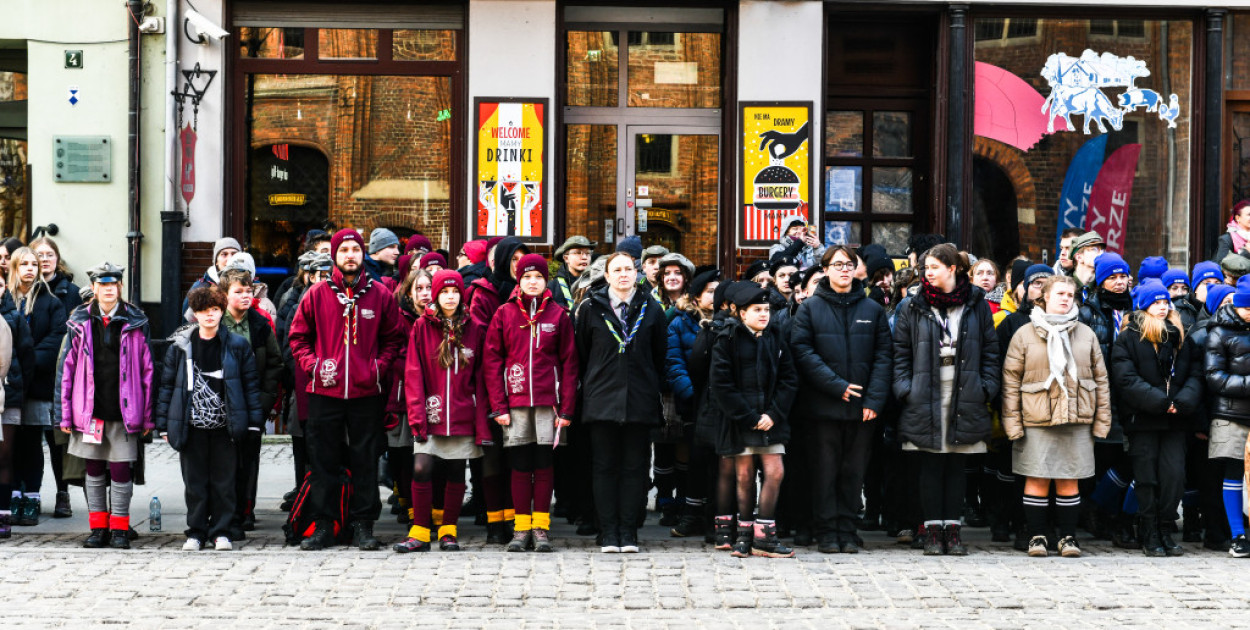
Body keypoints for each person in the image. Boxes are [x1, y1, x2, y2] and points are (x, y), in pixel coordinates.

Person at [288, 229, 406, 551]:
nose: (350, 255)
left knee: (365, 459)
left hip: (366, 393)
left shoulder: (380, 294)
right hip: (325, 393)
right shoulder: (316, 294)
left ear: (362, 254)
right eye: (344, 250)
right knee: (323, 460)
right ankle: (325, 524)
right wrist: (314, 366)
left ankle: (363, 525)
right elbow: (298, 337)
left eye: (355, 249)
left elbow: (394, 339)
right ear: (336, 256)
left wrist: (377, 367)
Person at [892, 243, 1000, 556]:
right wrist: (905, 388)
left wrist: (986, 387)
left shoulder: (976, 302)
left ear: (952, 269)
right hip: (925, 389)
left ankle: (952, 531)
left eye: (934, 267)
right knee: (929, 461)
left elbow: (990, 350)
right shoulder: (914, 304)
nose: (928, 273)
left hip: (964, 388)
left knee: (955, 461)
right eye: (926, 268)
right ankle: (931, 530)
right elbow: (900, 350)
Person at [789, 246, 892, 554]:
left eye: (849, 264)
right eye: (837, 264)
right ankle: (826, 531)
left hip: (863, 411)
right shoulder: (810, 308)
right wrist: (836, 386)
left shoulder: (872, 309)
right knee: (824, 473)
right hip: (823, 407)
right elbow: (803, 352)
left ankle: (848, 529)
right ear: (826, 270)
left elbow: (884, 356)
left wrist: (874, 400)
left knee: (853, 473)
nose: (844, 269)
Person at [1001, 275, 1111, 558]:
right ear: (1044, 297)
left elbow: (1101, 380)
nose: (1065, 298)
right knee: (1037, 477)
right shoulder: (1024, 333)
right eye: (1060, 293)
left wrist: (1102, 422)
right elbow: (1010, 381)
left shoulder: (1086, 334)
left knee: (1069, 479)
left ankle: (1067, 537)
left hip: (1077, 418)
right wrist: (1012, 424)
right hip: (1036, 418)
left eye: (1070, 294)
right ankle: (1037, 536)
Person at [54, 262, 154, 549]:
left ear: (120, 288)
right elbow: (66, 370)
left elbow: (148, 370)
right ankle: (98, 528)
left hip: (124, 410)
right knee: (94, 469)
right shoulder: (79, 320)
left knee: (122, 469)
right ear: (94, 289)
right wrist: (63, 412)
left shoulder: (137, 320)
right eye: (103, 285)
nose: (109, 290)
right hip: (90, 411)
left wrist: (147, 416)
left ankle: (120, 528)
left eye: (114, 285)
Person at [156, 287, 263, 552]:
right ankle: (196, 531)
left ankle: (221, 531)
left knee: (224, 482)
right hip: (191, 425)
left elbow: (250, 386)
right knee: (195, 483)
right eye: (204, 311)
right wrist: (163, 424)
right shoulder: (180, 347)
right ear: (195, 314)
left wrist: (253, 422)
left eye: (215, 310)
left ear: (221, 310)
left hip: (225, 426)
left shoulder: (237, 345)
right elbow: (167, 386)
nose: (210, 316)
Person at [575, 251, 668, 553]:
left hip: (639, 399)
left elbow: (659, 354)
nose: (624, 274)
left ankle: (628, 531)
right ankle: (608, 531)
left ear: (636, 273)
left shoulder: (651, 308)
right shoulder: (590, 307)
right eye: (617, 270)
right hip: (601, 399)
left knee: (635, 468)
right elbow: (582, 353)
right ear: (607, 274)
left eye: (629, 269)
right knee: (604, 466)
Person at [484, 254, 578, 552]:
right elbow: (492, 361)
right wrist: (498, 406)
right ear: (518, 280)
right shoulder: (504, 313)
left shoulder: (558, 315)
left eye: (538, 277)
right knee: (520, 465)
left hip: (549, 402)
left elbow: (570, 363)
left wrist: (567, 408)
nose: (533, 282)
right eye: (527, 277)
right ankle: (521, 527)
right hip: (515, 401)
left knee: (544, 464)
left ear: (545, 280)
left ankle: (540, 527)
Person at [393, 270, 491, 553]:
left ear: (461, 295)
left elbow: (482, 374)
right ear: (436, 295)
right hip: (431, 411)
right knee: (422, 467)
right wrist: (416, 414)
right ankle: (421, 531)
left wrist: (479, 413)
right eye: (444, 292)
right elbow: (413, 372)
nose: (450, 296)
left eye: (455, 291)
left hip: (463, 412)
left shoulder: (474, 327)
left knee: (456, 470)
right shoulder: (423, 327)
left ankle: (449, 530)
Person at [1112, 280, 1203, 557]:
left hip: (1176, 420)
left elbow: (1195, 375)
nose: (1163, 307)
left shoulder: (1181, 337)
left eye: (1166, 302)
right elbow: (1126, 379)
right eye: (1156, 302)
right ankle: (1149, 530)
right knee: (1147, 477)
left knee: (1174, 475)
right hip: (1144, 419)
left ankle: (1165, 526)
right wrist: (1161, 402)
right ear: (1145, 306)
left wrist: (1181, 402)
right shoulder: (1129, 337)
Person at [710, 282, 798, 558]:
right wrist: (749, 418)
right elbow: (721, 385)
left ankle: (765, 535)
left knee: (775, 472)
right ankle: (744, 535)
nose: (763, 315)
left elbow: (789, 379)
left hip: (772, 420)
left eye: (767, 309)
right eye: (756, 310)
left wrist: (773, 414)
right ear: (740, 312)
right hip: (740, 421)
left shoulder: (776, 336)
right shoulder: (727, 338)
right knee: (744, 476)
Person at [1079, 252, 1140, 548]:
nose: (1118, 283)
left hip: (1132, 391)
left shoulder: (1138, 307)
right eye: (1112, 278)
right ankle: (1101, 513)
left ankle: (1106, 509)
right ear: (1101, 281)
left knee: (1130, 457)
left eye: (1122, 277)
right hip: (1102, 390)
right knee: (1106, 455)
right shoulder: (1088, 310)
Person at [218, 267, 282, 540]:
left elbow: (274, 364)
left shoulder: (259, 324)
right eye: (238, 292)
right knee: (224, 461)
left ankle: (245, 510)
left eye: (248, 291)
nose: (245, 296)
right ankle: (225, 512)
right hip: (221, 405)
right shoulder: (216, 322)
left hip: (252, 402)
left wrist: (265, 402)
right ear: (224, 295)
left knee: (248, 461)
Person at [8, 246, 68, 526]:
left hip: (36, 384)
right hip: (8, 384)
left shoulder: (50, 301)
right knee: (10, 444)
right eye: (25, 264)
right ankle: (14, 494)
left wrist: (26, 363)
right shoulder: (6, 299)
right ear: (15, 268)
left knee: (32, 443)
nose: (32, 268)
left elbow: (56, 338)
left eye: (35, 263)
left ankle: (31, 496)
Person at [665, 268, 720, 538]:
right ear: (696, 298)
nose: (715, 295)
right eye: (710, 291)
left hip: (720, 403)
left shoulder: (728, 321)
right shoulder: (680, 322)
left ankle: (715, 517)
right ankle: (692, 515)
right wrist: (691, 395)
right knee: (695, 460)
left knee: (718, 462)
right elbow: (674, 363)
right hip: (693, 403)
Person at [1203, 284, 1250, 558]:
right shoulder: (1219, 332)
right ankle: (1237, 536)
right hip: (1231, 414)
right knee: (1233, 473)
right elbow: (1213, 377)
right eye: (1246, 308)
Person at [384, 269, 432, 527]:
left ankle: (427, 510)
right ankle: (408, 505)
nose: (425, 294)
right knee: (403, 455)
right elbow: (395, 351)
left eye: (429, 288)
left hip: (433, 396)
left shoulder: (441, 317)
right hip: (402, 395)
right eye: (419, 289)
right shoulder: (399, 317)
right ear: (410, 292)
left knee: (428, 458)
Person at [0, 273, 32, 537]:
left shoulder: (15, 319)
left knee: (5, 455)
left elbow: (26, 356)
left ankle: (3, 515)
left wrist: (17, 385)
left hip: (8, 396)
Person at [183, 237, 241, 315]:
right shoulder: (201, 288)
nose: (230, 259)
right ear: (216, 261)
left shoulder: (253, 286)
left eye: (234, 254)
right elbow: (188, 324)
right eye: (224, 254)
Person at [552, 236, 594, 311]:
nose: (584, 257)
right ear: (566, 258)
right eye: (578, 253)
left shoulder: (598, 285)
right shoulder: (553, 287)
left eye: (588, 253)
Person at [1068, 231, 1107, 300]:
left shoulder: (1105, 288)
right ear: (1079, 257)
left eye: (1102, 250)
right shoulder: (1064, 286)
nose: (1101, 254)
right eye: (1095, 249)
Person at [1214, 200, 1250, 264]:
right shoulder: (1227, 239)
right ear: (1238, 218)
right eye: (1249, 214)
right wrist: (1246, 252)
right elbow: (1223, 264)